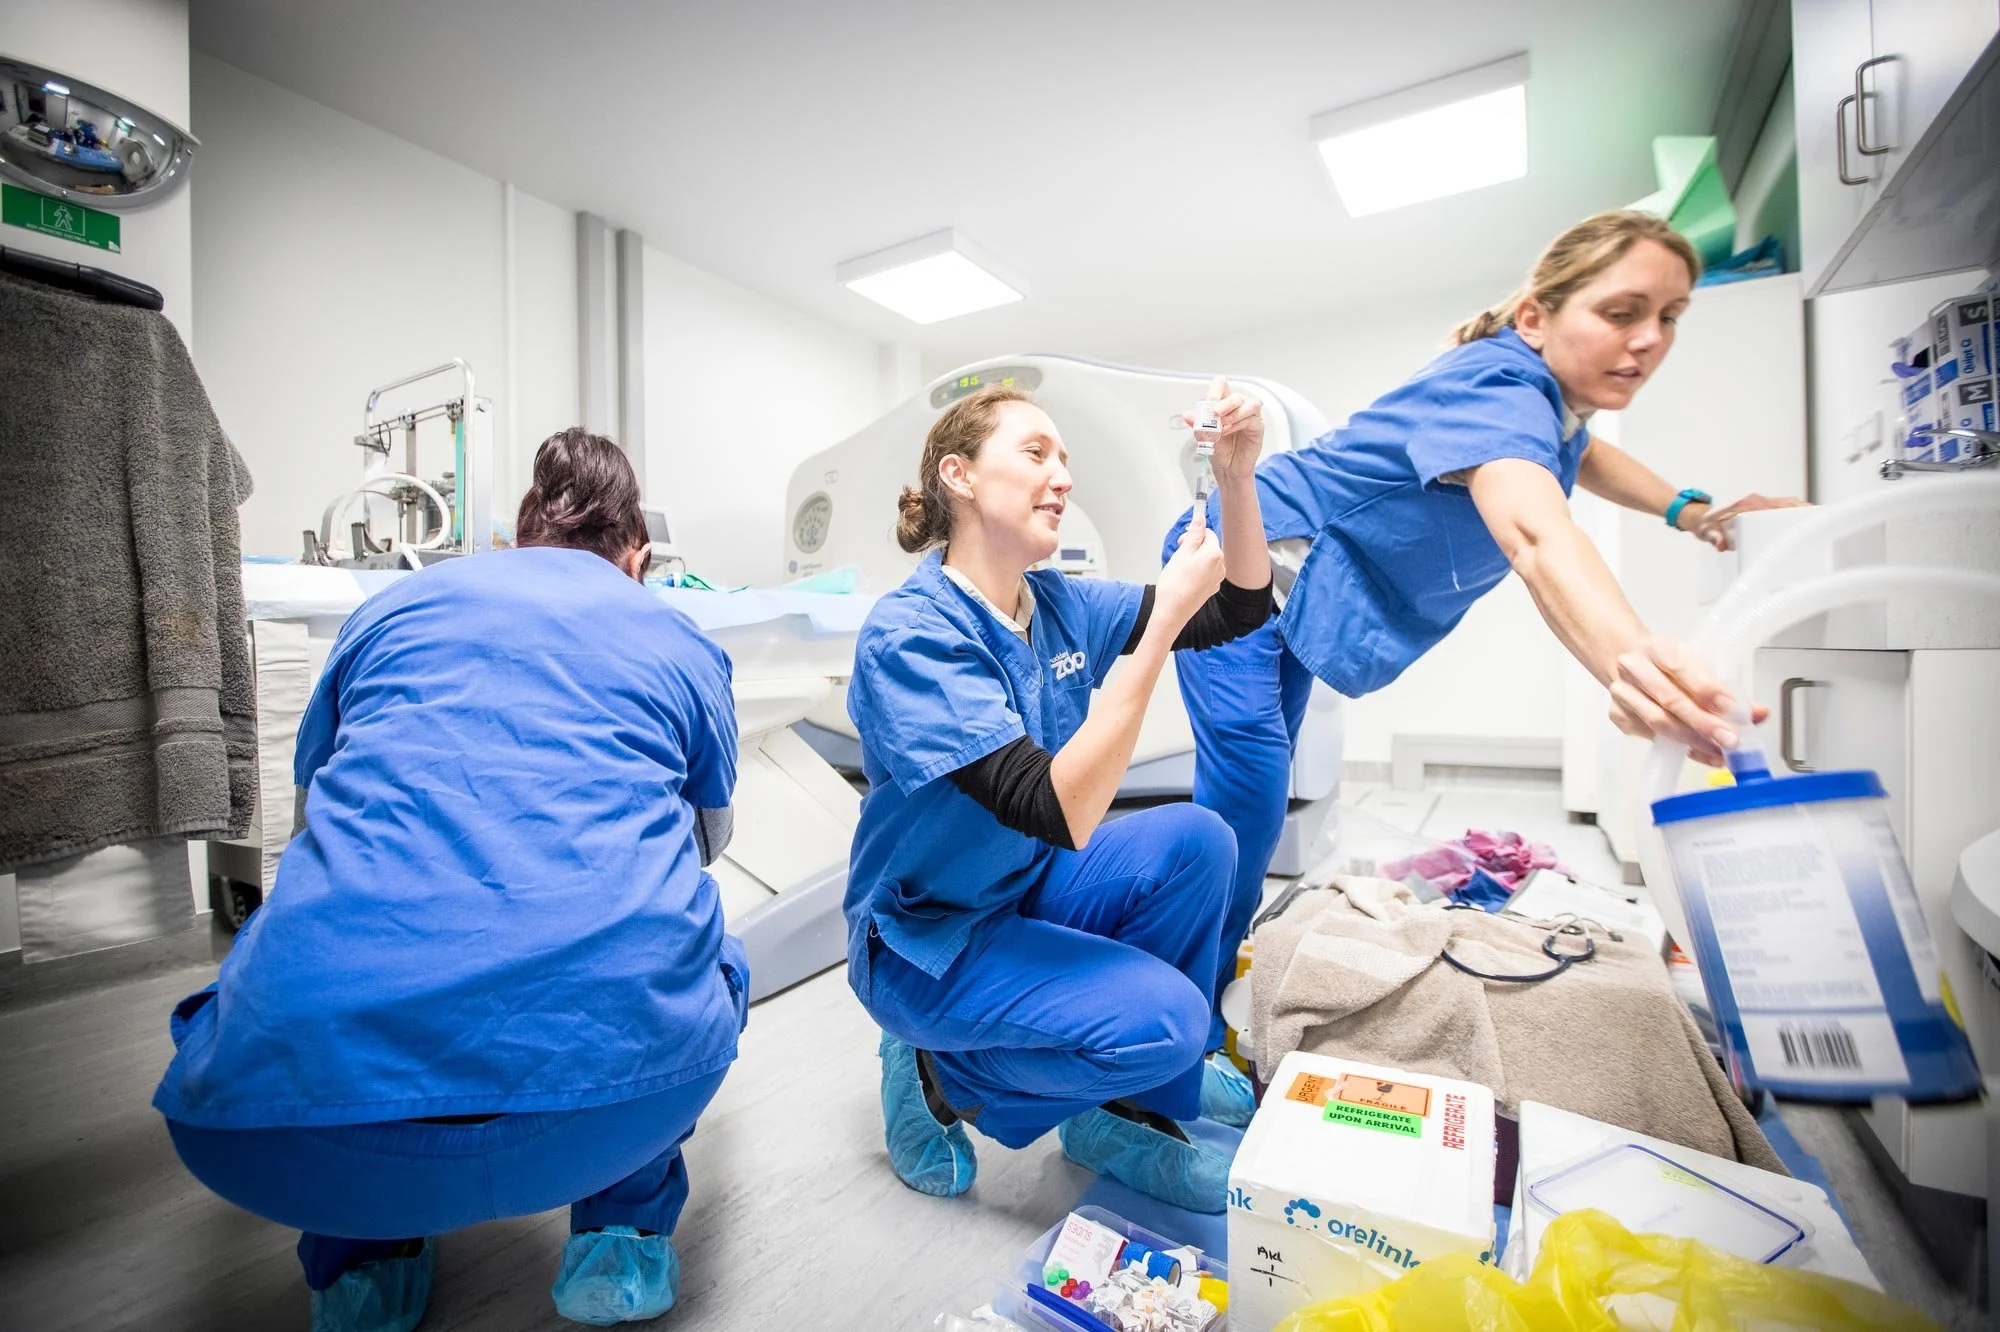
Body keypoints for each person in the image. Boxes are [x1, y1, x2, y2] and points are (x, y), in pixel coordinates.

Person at [153, 429, 746, 1332]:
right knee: (700, 950)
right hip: (616, 1108)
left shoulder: (397, 607)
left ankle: (362, 1268)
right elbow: (708, 838)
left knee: (294, 963)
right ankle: (620, 1240)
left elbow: (318, 812)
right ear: (637, 558)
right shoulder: (676, 634)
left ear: (514, 538)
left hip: (270, 1140)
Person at [1172, 209, 1807, 985]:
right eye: (1621, 313)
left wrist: (1691, 511)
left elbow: (1589, 458)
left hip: (1296, 588)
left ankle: (1208, 947)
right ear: (1536, 317)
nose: (1649, 340)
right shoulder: (1498, 386)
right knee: (1251, 786)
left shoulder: (1551, 403)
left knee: (1257, 781)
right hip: (1239, 557)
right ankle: (1186, 988)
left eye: (1669, 318)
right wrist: (1634, 662)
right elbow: (1536, 536)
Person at [843, 381, 1273, 1214]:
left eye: (1067, 459)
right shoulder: (913, 635)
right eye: (1036, 453)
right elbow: (1057, 808)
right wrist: (1157, 633)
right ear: (959, 477)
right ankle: (937, 1068)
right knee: (1169, 1022)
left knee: (1199, 840)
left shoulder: (1059, 603)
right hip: (927, 936)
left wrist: (1235, 476)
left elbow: (1238, 609)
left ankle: (1123, 1110)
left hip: (1023, 887)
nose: (1063, 476)